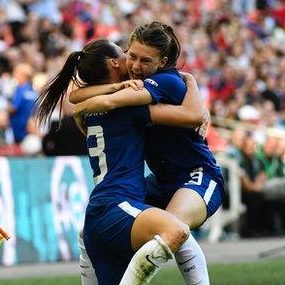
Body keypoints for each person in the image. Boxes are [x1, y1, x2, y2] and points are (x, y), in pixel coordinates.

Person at [35, 39, 208, 284]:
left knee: (178, 235)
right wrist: (190, 82)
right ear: (115, 63)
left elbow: (76, 96)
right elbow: (192, 116)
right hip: (117, 206)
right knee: (177, 231)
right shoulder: (127, 104)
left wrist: (107, 94)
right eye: (124, 52)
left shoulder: (93, 106)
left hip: (102, 211)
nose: (131, 58)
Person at [72, 22, 224, 285]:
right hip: (162, 182)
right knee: (92, 230)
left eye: (146, 60)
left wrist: (84, 108)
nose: (136, 66)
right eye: (131, 56)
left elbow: (193, 115)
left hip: (197, 175)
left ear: (162, 62)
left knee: (173, 227)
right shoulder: (134, 86)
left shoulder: (165, 82)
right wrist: (97, 96)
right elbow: (78, 95)